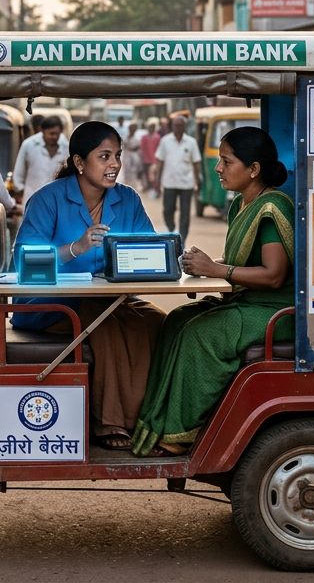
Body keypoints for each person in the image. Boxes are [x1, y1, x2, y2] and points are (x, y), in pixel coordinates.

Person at [131, 127, 295, 456]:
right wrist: (201, 265)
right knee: (176, 320)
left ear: (253, 169)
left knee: (199, 334)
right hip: (247, 302)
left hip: (272, 312)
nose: (218, 168)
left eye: (226, 161)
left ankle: (180, 433)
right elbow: (237, 262)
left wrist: (216, 269)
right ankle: (156, 421)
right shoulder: (240, 205)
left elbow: (273, 275)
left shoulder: (272, 208)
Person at [12, 121, 167, 451]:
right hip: (48, 305)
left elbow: (150, 247)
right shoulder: (47, 199)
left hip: (111, 300)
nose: (115, 164)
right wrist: (75, 248)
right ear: (79, 162)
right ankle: (110, 422)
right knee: (105, 325)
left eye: (118, 155)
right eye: (105, 156)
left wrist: (168, 258)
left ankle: (152, 421)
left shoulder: (128, 199)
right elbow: (24, 264)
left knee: (159, 322)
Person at [154, 114, 203, 244]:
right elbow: (160, 162)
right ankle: (171, 228)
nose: (178, 127)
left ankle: (182, 239)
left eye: (181, 125)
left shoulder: (191, 142)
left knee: (185, 214)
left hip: (186, 184)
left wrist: (197, 180)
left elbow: (196, 163)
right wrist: (157, 180)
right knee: (168, 210)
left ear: (185, 126)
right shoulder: (165, 141)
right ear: (172, 126)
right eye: (176, 125)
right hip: (169, 182)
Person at [11, 114, 68, 208]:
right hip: (32, 199)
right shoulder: (29, 145)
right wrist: (21, 191)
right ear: (42, 131)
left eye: (56, 134)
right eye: (51, 134)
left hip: (57, 201)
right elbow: (18, 173)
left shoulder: (66, 147)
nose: (54, 137)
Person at [140, 117, 162, 197]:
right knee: (148, 176)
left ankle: (156, 189)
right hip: (146, 159)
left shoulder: (157, 137)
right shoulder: (144, 137)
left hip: (155, 160)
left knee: (153, 176)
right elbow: (142, 148)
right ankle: (152, 189)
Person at [122, 121, 145, 189]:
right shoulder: (125, 138)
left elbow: (138, 148)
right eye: (131, 128)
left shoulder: (138, 138)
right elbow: (123, 146)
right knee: (127, 173)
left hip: (135, 158)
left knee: (135, 172)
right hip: (127, 158)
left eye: (134, 128)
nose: (132, 130)